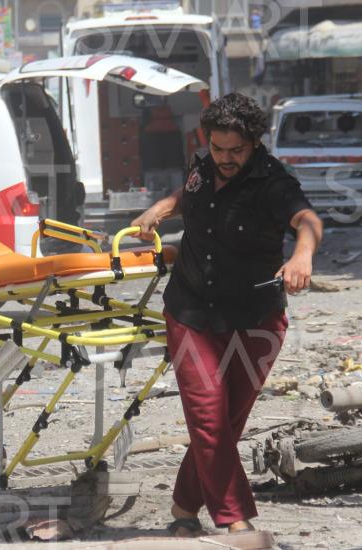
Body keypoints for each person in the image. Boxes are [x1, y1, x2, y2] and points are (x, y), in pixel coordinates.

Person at [131, 93, 322, 536]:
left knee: (226, 423)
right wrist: (161, 208)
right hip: (191, 311)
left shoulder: (274, 183)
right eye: (218, 148)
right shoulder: (202, 168)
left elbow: (307, 221)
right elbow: (189, 195)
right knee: (208, 417)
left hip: (256, 318)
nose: (225, 158)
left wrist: (302, 256)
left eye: (236, 150)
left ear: (254, 143)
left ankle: (183, 507)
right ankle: (237, 520)